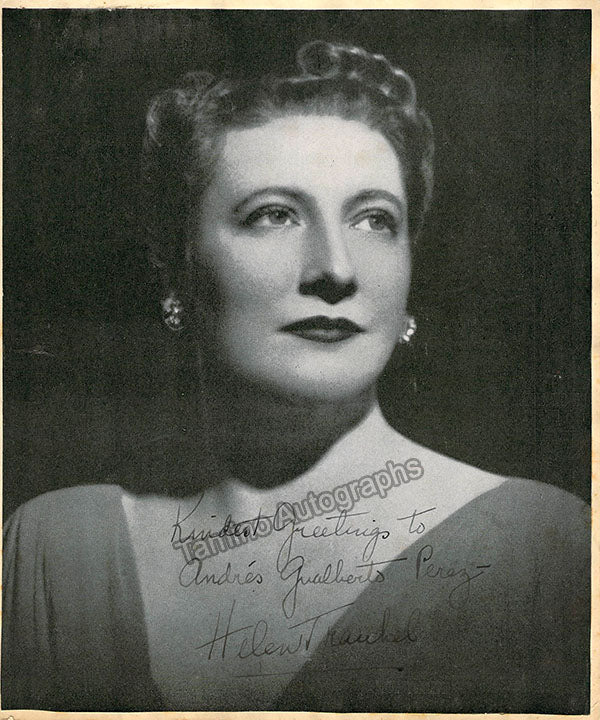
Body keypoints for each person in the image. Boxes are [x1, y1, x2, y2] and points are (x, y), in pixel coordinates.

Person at [2, 40, 589, 713]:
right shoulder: (57, 551)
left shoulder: (545, 547)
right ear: (177, 266)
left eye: (375, 221)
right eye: (274, 214)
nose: (335, 269)